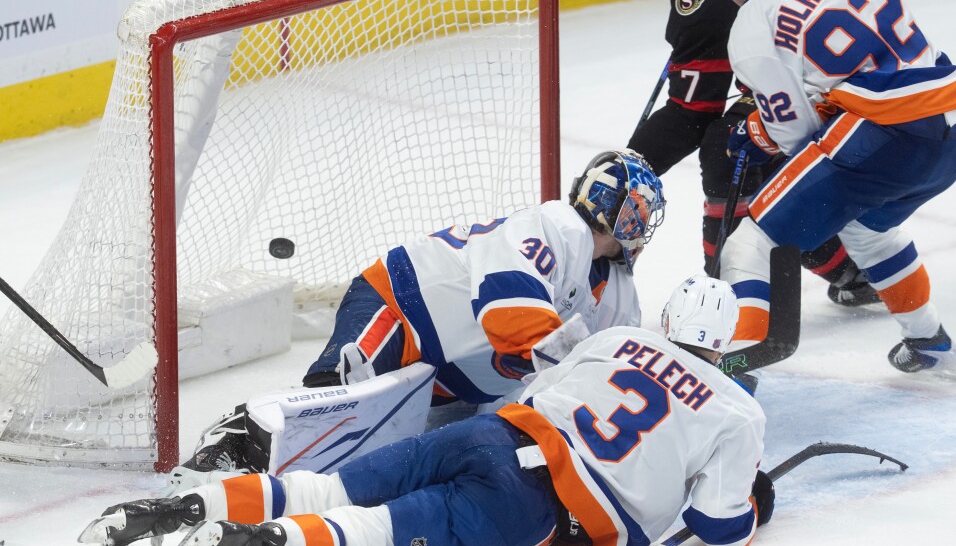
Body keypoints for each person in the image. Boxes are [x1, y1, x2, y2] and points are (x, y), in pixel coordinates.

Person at [79, 276, 774, 546]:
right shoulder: (737, 411)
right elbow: (717, 529)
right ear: (724, 341)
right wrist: (752, 500)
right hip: (535, 498)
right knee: (379, 531)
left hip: (488, 433)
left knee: (330, 486)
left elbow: (542, 391)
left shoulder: (616, 337)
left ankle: (177, 505)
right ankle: (261, 542)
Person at [183, 150, 668, 473]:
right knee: (336, 402)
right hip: (405, 309)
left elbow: (613, 372)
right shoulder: (558, 227)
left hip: (458, 379)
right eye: (636, 213)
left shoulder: (620, 293)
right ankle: (239, 435)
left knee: (391, 458)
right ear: (607, 206)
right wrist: (575, 368)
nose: (641, 227)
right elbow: (509, 315)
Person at [692, 0, 956, 380]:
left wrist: (754, 133)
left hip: (889, 132)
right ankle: (931, 341)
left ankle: (727, 377)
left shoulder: (748, 33)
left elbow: (795, 133)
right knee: (865, 230)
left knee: (748, 246)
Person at [629, 0, 880, 308]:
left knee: (728, 150)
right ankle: (850, 269)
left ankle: (725, 299)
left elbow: (692, 113)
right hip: (875, 66)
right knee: (759, 163)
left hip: (822, 89)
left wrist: (633, 165)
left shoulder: (707, 4)